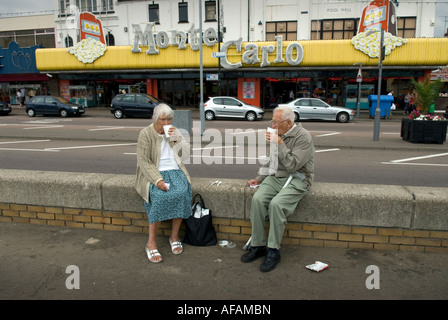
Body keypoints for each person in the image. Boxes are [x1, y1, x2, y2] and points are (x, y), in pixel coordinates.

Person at [242, 105, 314, 272]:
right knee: (258, 200)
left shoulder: (304, 137)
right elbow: (270, 160)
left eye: (276, 122)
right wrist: (259, 178)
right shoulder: (278, 134)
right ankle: (258, 245)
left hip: (299, 179)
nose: (273, 126)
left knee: (276, 205)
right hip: (277, 177)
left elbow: (292, 165)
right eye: (272, 121)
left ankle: (273, 250)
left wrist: (280, 143)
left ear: (288, 123)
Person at [134, 104, 191, 263]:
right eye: (163, 119)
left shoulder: (174, 131)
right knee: (158, 197)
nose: (166, 123)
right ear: (155, 119)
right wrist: (157, 180)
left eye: (169, 119)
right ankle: (151, 243)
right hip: (154, 173)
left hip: (175, 171)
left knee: (182, 192)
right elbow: (144, 162)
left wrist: (176, 139)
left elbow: (186, 155)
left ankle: (174, 236)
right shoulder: (146, 134)